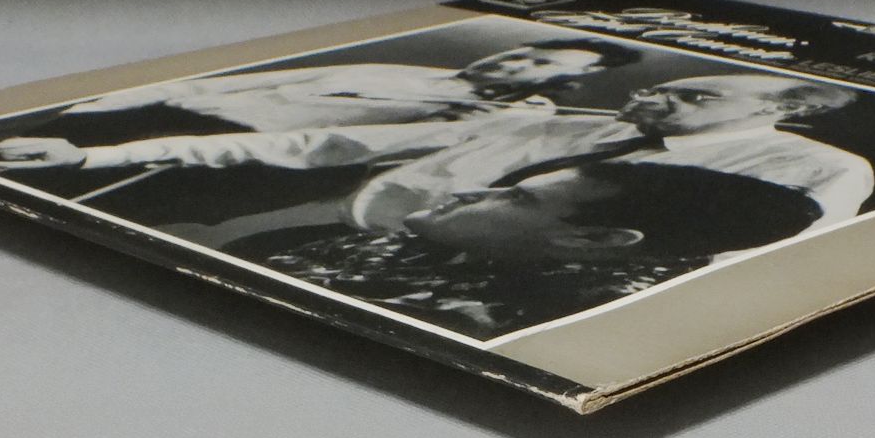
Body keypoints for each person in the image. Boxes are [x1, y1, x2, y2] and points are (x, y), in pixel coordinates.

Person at [0, 73, 873, 237]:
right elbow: (319, 142)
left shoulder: (816, 171)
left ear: (785, 108)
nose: (657, 98)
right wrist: (88, 158)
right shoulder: (565, 120)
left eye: (694, 96)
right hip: (317, 223)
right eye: (661, 88)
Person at [0, 38, 643, 198]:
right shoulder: (409, 70)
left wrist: (96, 153)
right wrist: (93, 109)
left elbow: (318, 143)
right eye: (522, 51)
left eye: (538, 63)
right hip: (148, 114)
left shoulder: (498, 115)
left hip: (218, 157)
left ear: (568, 82)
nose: (515, 61)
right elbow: (271, 80)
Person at [262, 162, 823, 339]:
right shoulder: (455, 243)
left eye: (516, 197)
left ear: (593, 239)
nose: (469, 191)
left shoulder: (557, 316)